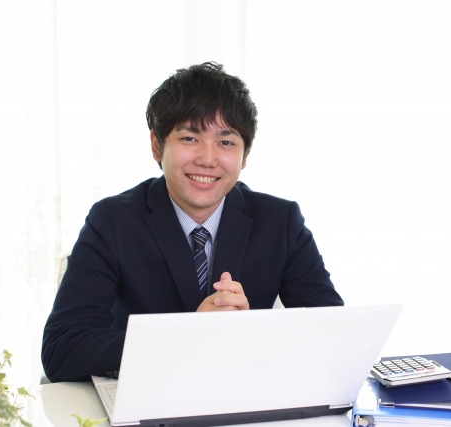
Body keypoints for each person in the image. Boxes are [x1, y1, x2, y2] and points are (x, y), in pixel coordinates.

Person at [41, 62, 343, 382]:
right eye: (189, 138)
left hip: (244, 394)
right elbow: (62, 349)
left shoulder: (280, 222)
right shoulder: (112, 222)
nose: (207, 159)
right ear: (157, 145)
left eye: (226, 142)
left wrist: (250, 334)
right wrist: (186, 338)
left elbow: (336, 334)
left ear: (245, 156)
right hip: (150, 394)